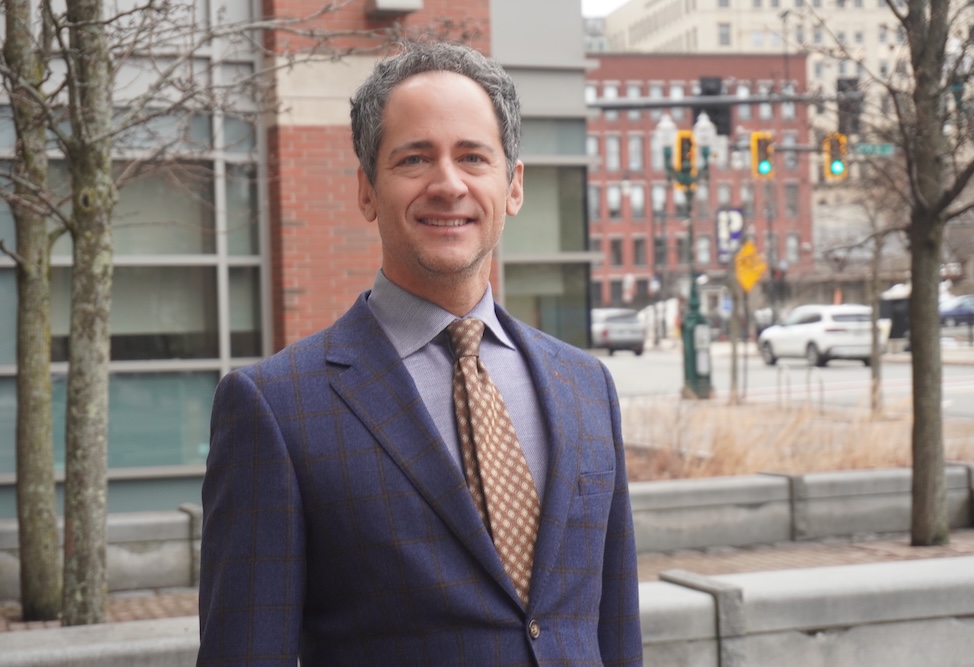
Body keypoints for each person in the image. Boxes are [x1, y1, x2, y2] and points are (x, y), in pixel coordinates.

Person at [197, 41, 642, 666]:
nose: (448, 183)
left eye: (473, 157)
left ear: (512, 186)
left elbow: (616, 633)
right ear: (366, 190)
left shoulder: (586, 385)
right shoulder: (274, 408)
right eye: (414, 159)